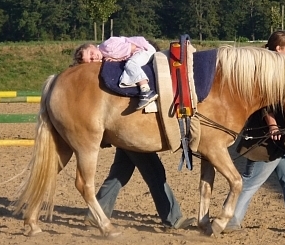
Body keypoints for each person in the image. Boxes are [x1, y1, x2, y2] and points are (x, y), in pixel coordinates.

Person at [70, 44, 195, 230]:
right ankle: (173, 218)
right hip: (131, 129)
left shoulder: (112, 57)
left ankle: (97, 214)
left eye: (91, 56)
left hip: (127, 128)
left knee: (119, 173)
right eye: (89, 60)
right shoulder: (108, 69)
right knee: (153, 171)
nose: (94, 60)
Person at [224, 30, 285, 233]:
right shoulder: (267, 70)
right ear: (278, 49)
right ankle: (229, 219)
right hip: (268, 136)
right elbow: (263, 103)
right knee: (251, 181)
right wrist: (272, 124)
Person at [72, 36, 158, 110]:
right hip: (139, 51)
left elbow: (132, 47)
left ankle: (146, 90)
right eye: (91, 60)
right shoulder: (105, 52)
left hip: (144, 50)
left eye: (91, 53)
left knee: (131, 64)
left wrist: (118, 58)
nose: (94, 57)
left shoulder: (107, 47)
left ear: (92, 46)